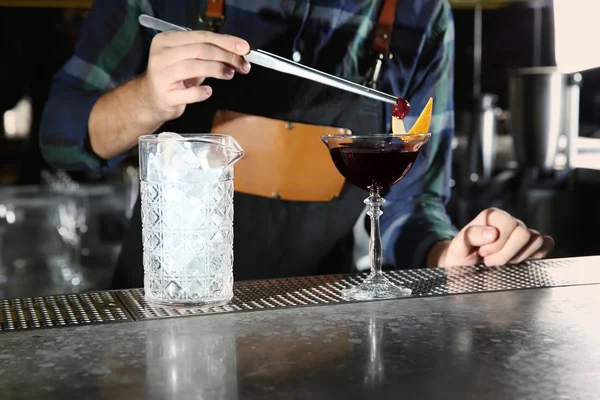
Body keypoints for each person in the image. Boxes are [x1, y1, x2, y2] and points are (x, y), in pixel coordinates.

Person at [39, 0, 553, 289]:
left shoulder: (420, 16)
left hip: (320, 323)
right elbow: (60, 138)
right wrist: (145, 100)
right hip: (168, 311)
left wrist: (449, 254)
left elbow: (410, 202)